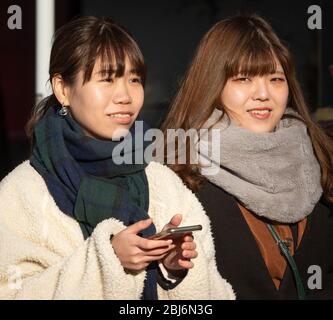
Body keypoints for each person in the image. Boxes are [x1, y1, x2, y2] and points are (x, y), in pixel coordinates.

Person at [0, 16, 234, 300]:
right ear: (63, 89)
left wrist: (172, 270)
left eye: (134, 79)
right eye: (107, 79)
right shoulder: (21, 193)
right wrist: (106, 261)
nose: (125, 95)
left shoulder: (163, 183)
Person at [162, 14, 333, 299]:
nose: (263, 93)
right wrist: (170, 267)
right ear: (213, 86)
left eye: (276, 79)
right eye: (244, 78)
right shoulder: (180, 171)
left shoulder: (320, 155)